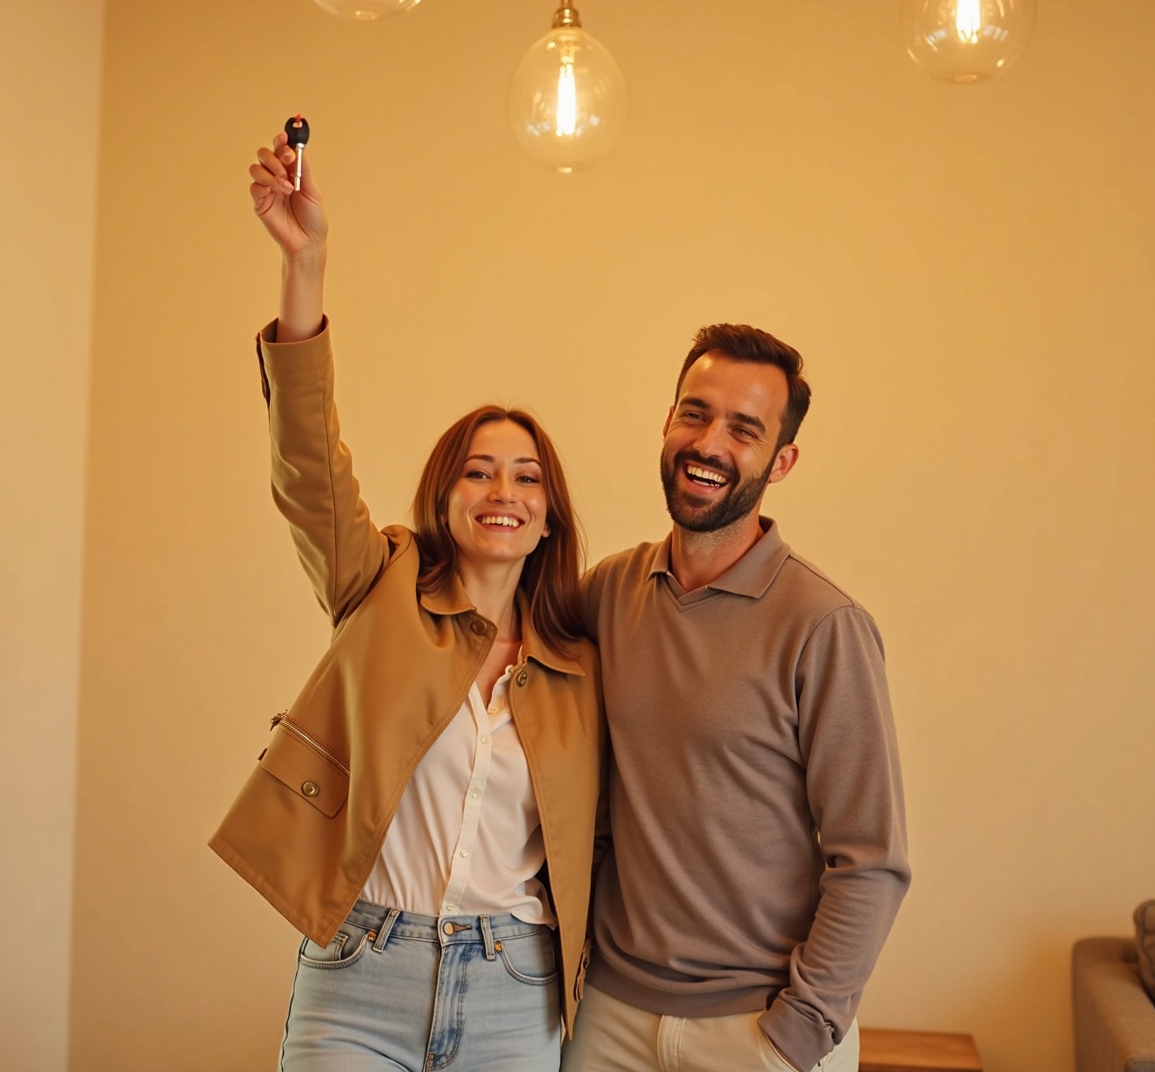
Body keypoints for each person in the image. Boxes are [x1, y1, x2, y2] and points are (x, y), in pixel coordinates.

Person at [210, 128, 603, 1070]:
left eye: (525, 479)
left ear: (549, 517)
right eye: (477, 472)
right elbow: (308, 464)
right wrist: (306, 266)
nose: (502, 492)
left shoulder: (583, 666)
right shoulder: (377, 582)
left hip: (517, 986)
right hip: (360, 969)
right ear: (444, 495)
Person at [561, 326, 910, 1072]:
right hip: (609, 1018)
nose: (710, 442)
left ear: (781, 461)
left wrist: (800, 1032)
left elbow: (871, 859)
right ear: (667, 422)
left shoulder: (825, 626)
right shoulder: (607, 595)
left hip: (758, 1030)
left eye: (744, 429)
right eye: (695, 413)